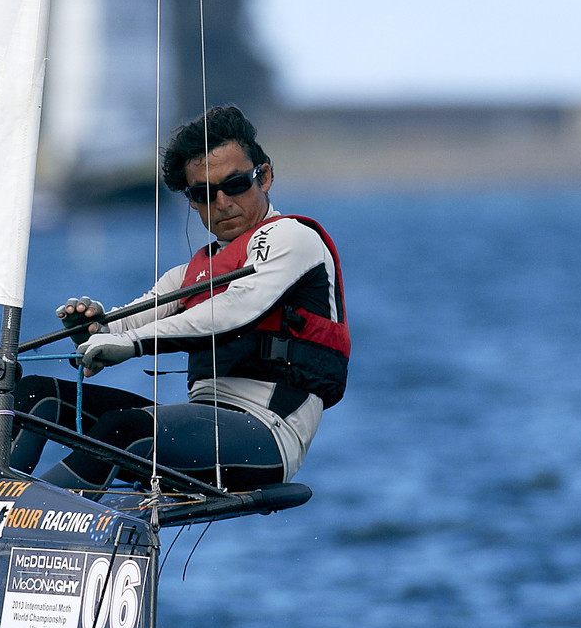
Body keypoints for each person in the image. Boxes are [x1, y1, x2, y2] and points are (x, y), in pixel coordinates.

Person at [17, 104, 349, 492]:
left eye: (236, 184)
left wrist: (130, 343)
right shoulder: (190, 273)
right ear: (192, 200)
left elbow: (234, 310)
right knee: (33, 395)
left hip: (267, 436)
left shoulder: (293, 239)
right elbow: (124, 325)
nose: (222, 202)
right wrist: (92, 329)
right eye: (204, 193)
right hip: (200, 425)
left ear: (265, 176)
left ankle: (21, 517)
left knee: (124, 429)